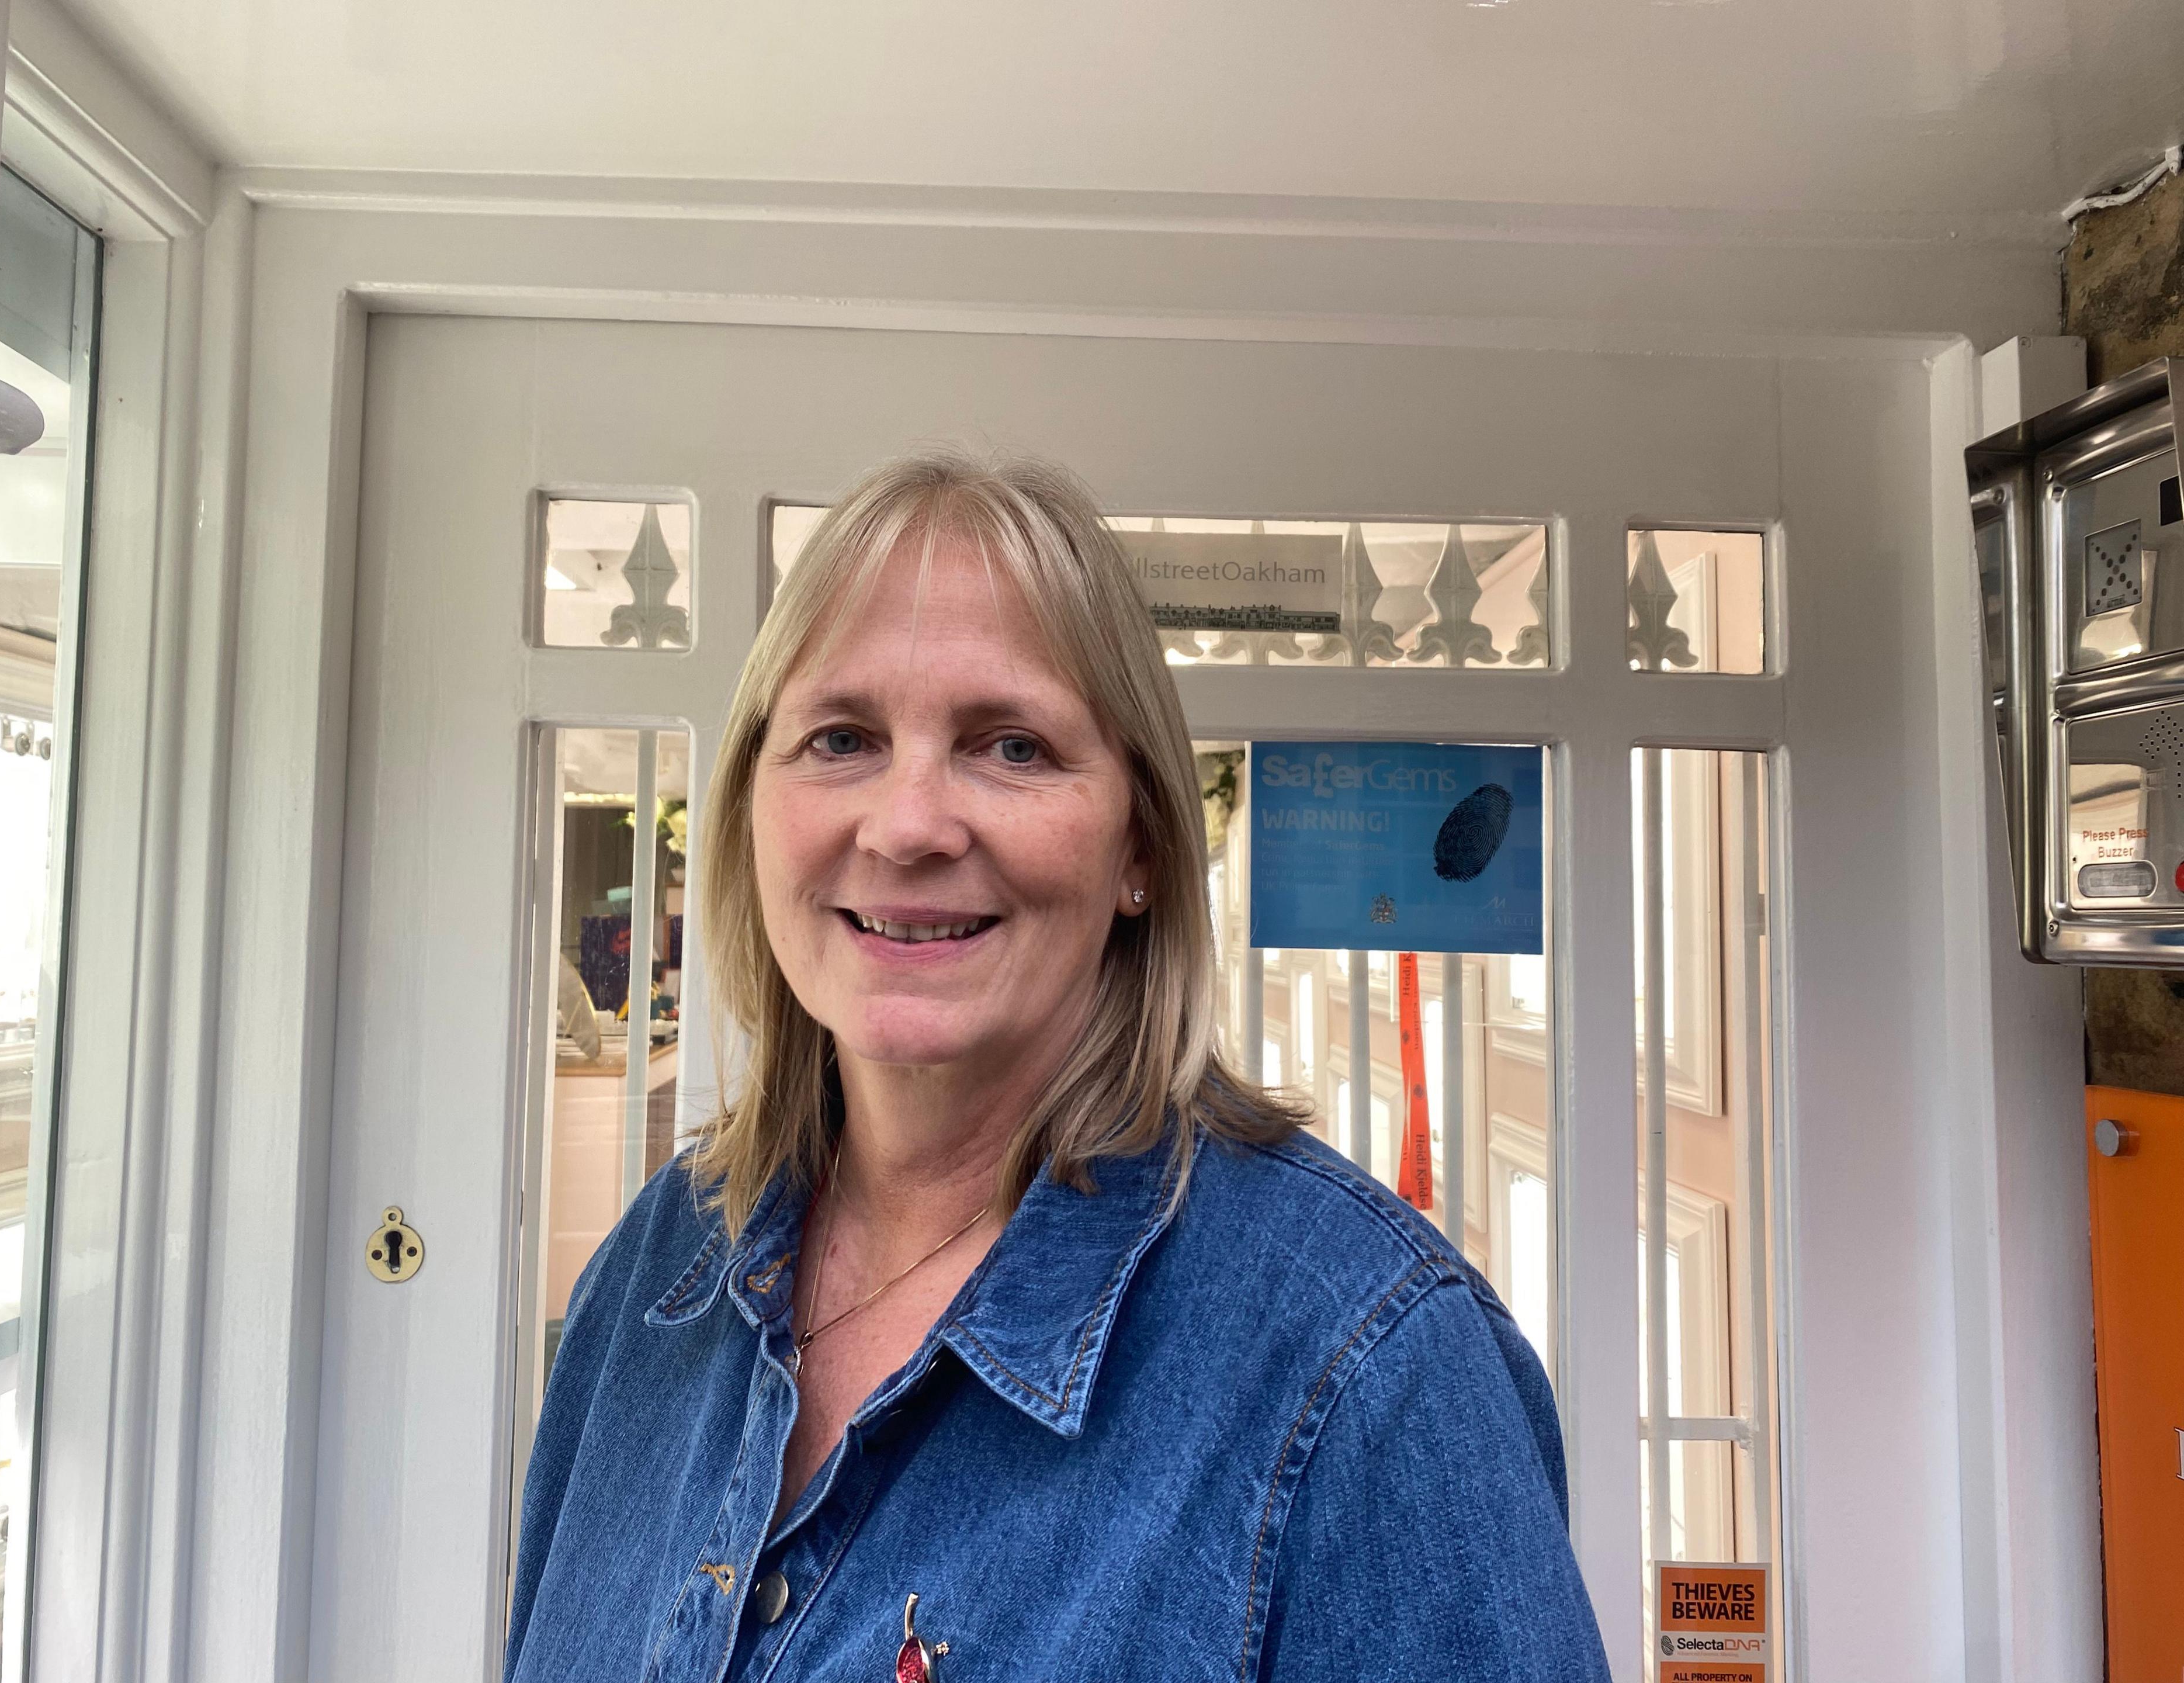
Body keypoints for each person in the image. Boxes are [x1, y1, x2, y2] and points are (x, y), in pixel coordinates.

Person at [505, 451, 1610, 1682]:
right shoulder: (658, 1276)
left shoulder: (1370, 1378)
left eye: (1012, 746)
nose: (909, 823)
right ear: (753, 807)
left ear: (1141, 843)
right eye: (841, 737)